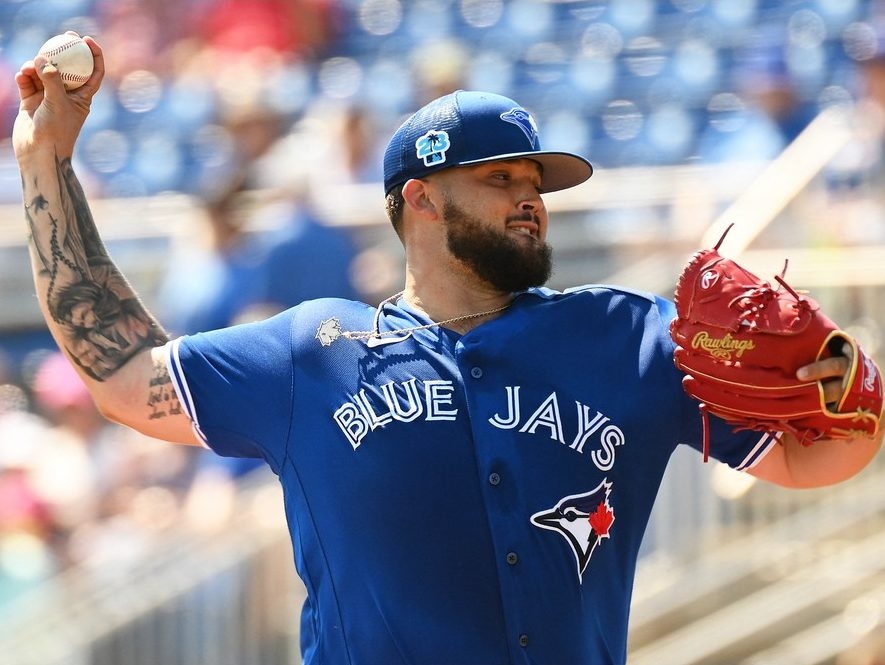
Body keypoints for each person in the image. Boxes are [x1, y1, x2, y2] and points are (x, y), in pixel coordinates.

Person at [11, 35, 883, 665]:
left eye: (534, 182)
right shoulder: (314, 351)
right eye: (499, 178)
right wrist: (45, 162)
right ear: (420, 201)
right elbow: (124, 374)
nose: (528, 198)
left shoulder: (626, 335)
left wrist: (846, 380)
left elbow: (822, 457)